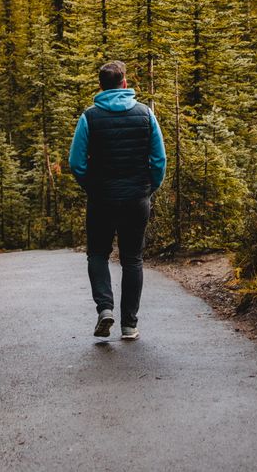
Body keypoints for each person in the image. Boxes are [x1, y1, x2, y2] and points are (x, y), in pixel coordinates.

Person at [69, 60, 166, 340]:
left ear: (101, 86)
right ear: (124, 84)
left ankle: (105, 308)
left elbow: (76, 162)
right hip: (137, 197)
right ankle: (129, 325)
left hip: (102, 198)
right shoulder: (145, 114)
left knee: (98, 254)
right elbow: (159, 159)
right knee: (132, 260)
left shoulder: (89, 117)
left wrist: (91, 185)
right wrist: (150, 186)